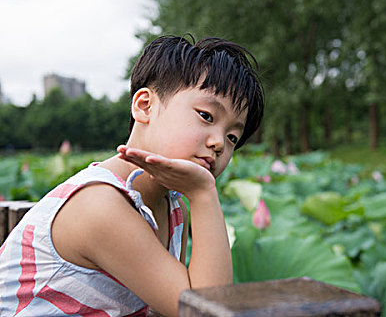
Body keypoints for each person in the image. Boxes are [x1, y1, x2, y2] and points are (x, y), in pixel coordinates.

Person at [0, 35, 264, 316]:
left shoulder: (173, 208)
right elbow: (208, 311)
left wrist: (201, 196)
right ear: (144, 106)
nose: (219, 143)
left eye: (232, 136)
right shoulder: (100, 205)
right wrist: (203, 193)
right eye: (207, 116)